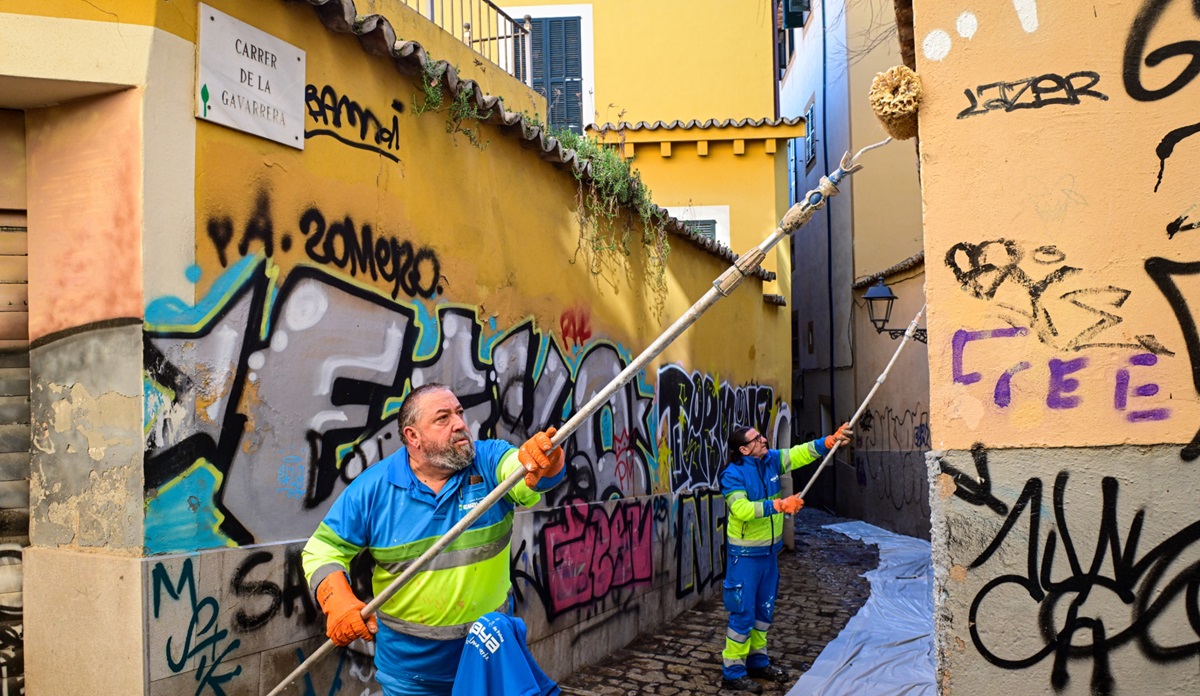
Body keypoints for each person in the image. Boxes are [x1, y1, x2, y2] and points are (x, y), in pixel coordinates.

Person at [301, 382, 567, 695]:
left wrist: (549, 462)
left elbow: (526, 473)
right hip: (409, 674)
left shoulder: (489, 462)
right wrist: (337, 601)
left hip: (486, 657)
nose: (459, 424)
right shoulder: (373, 490)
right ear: (413, 436)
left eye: (459, 413)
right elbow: (322, 549)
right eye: (443, 418)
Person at [718, 423, 852, 694]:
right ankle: (732, 672)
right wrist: (779, 505)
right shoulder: (732, 475)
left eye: (762, 436)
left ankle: (758, 661)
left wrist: (829, 441)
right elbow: (741, 509)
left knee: (763, 613)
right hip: (744, 557)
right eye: (757, 439)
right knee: (743, 614)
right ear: (743, 449)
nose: (764, 440)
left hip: (769, 554)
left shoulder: (770, 461)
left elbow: (799, 453)